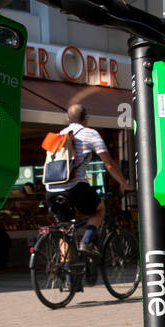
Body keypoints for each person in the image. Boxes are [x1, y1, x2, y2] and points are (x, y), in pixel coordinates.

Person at [46, 103, 128, 251]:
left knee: (64, 231)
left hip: (51, 190)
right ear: (86, 119)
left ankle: (66, 272)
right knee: (99, 209)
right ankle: (86, 241)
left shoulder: (59, 136)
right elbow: (109, 164)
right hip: (75, 187)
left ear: (67, 118)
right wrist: (123, 183)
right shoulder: (90, 134)